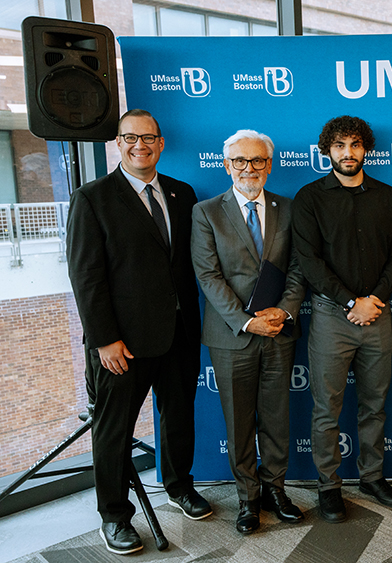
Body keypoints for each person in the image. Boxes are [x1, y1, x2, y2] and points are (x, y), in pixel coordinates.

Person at [67, 109, 210, 555]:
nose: (140, 146)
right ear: (118, 143)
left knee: (179, 418)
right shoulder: (92, 197)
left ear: (161, 143)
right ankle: (114, 516)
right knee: (113, 430)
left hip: (180, 332)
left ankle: (179, 487)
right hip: (121, 343)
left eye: (148, 138)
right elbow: (86, 276)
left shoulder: (182, 193)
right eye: (130, 138)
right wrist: (104, 339)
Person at [292, 115, 392, 523]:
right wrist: (349, 302)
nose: (347, 153)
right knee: (327, 407)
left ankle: (372, 477)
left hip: (377, 314)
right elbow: (309, 261)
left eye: (355, 145)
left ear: (366, 150)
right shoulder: (309, 198)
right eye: (339, 145)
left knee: (374, 404)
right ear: (328, 150)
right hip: (330, 316)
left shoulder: (388, 196)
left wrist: (374, 298)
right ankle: (328, 486)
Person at [191, 130, 306, 534]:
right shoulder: (206, 212)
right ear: (227, 166)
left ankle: (276, 489)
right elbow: (207, 275)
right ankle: (248, 499)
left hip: (278, 331)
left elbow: (297, 268)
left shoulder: (289, 209)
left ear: (269, 165)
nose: (249, 168)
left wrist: (284, 310)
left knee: (276, 417)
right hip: (232, 336)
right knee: (239, 422)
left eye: (257, 161)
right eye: (240, 161)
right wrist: (245, 320)